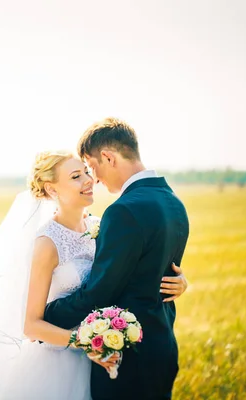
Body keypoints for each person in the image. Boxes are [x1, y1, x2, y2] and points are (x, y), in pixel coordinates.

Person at [0, 126, 188, 399]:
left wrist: (177, 280)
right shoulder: (47, 243)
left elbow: (131, 267)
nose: (90, 180)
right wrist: (85, 341)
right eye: (77, 176)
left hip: (100, 355)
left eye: (87, 171)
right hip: (62, 359)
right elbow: (32, 325)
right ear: (52, 188)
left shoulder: (101, 225)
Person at [44, 117, 189, 399]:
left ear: (108, 157)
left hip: (127, 358)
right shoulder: (173, 202)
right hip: (162, 347)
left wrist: (44, 317)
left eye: (93, 167)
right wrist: (181, 281)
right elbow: (156, 268)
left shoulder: (124, 211)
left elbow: (99, 293)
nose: (93, 179)